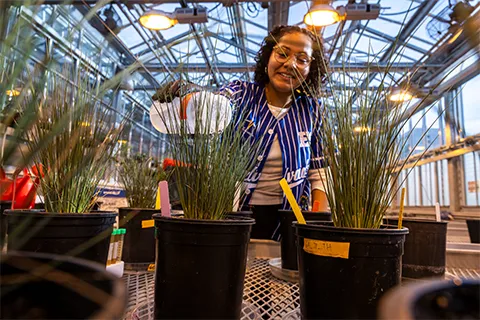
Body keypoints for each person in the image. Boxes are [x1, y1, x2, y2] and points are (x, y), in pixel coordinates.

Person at [150, 25, 329, 240]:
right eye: (282, 53)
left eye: (302, 59)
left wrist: (318, 226)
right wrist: (192, 95)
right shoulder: (242, 94)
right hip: (233, 216)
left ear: (311, 69)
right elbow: (218, 103)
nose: (290, 64)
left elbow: (319, 174)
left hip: (290, 222)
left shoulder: (312, 110)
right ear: (268, 58)